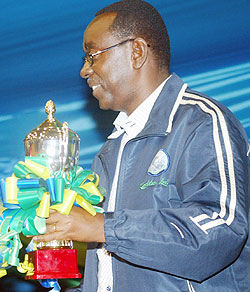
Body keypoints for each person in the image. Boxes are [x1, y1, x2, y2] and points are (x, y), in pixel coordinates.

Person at [33, 0, 250, 291]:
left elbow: (220, 231)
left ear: (136, 52)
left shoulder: (201, 122)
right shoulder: (109, 152)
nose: (85, 70)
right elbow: (112, 273)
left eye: (92, 55)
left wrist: (101, 226)